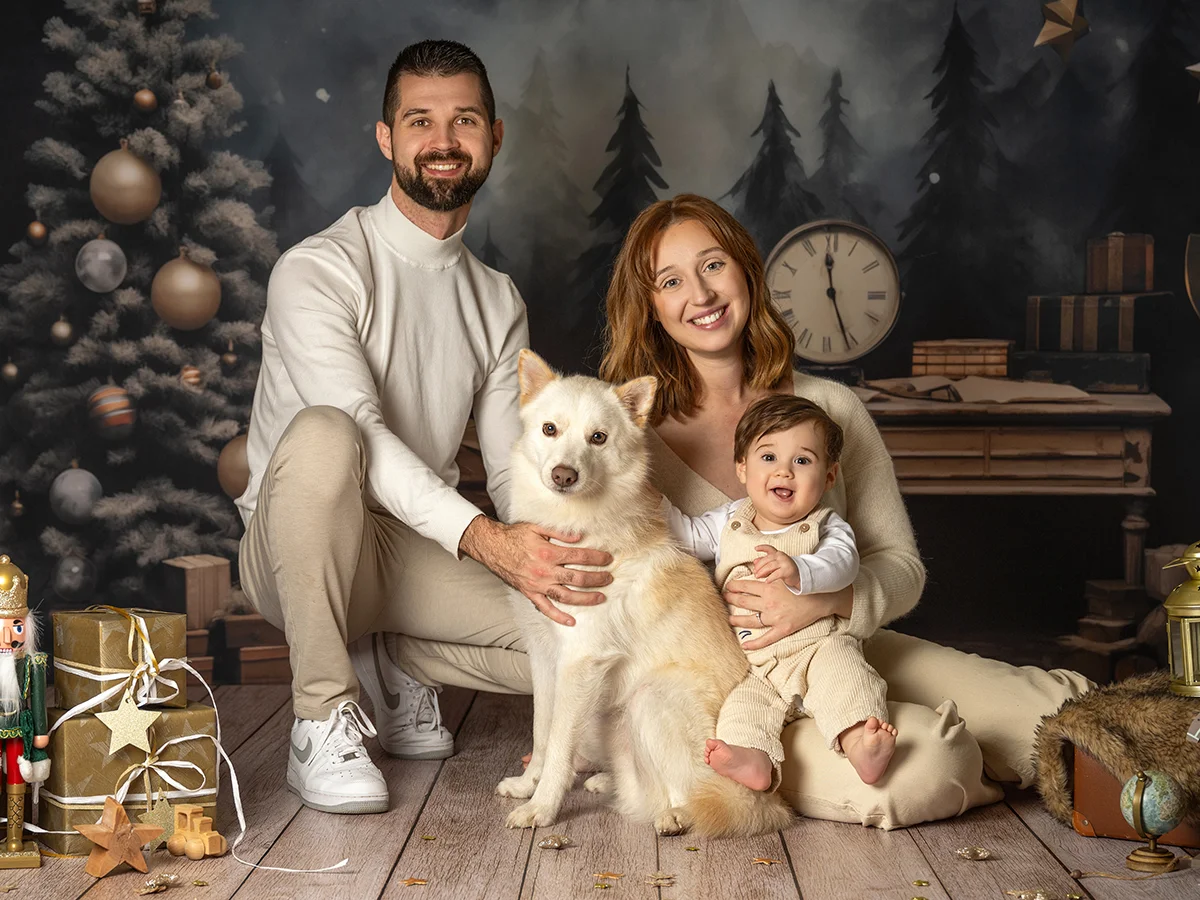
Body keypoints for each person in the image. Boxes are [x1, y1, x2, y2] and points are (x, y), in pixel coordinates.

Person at [596, 194, 1093, 828]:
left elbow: (900, 566)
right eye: (671, 281)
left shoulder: (829, 407)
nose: (700, 293)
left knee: (1053, 711)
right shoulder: (627, 440)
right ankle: (967, 765)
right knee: (925, 764)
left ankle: (1002, 759)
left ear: (746, 270)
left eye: (713, 265)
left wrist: (826, 602)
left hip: (843, 646)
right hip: (734, 691)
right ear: (651, 309)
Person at [236, 40, 612, 816]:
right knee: (327, 434)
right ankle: (322, 712)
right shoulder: (318, 270)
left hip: (414, 550)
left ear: (494, 137)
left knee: (581, 630)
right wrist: (490, 543)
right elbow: (363, 437)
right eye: (420, 122)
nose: (443, 142)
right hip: (293, 547)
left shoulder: (496, 298)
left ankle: (394, 658)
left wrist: (549, 553)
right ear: (387, 140)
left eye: (464, 120)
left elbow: (514, 467)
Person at [664, 394, 898, 794]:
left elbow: (845, 565)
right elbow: (686, 535)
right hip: (753, 662)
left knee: (847, 677)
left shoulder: (827, 525)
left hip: (817, 648)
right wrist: (652, 502)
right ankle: (754, 762)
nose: (784, 472)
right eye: (768, 458)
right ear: (742, 467)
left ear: (828, 477)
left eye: (803, 461)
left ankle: (861, 741)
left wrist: (799, 570)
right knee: (740, 710)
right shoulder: (728, 521)